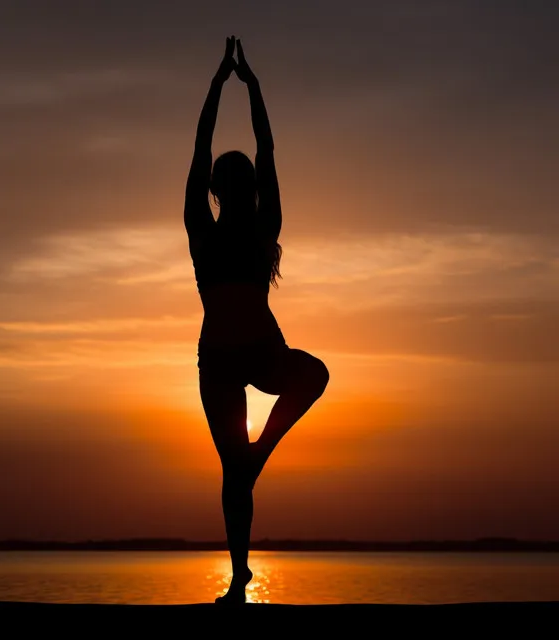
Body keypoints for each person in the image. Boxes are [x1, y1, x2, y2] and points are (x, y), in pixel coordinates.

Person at [184, 36, 329, 604]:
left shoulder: (249, 230)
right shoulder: (209, 231)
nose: (246, 187)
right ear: (224, 191)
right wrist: (236, 86)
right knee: (233, 473)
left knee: (312, 377)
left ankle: (260, 455)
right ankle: (240, 578)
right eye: (237, 181)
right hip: (221, 361)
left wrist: (234, 85)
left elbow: (256, 153)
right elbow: (215, 152)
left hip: (257, 355)